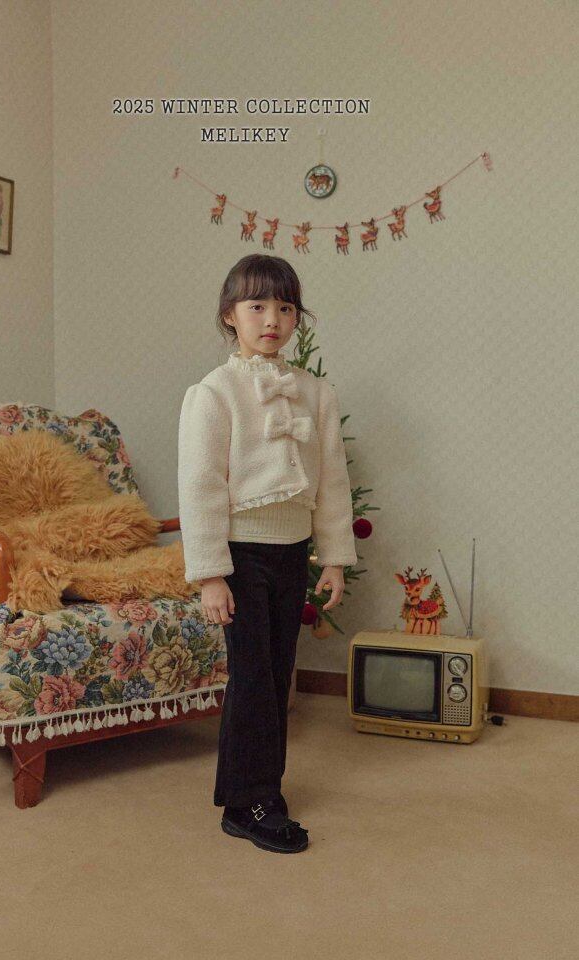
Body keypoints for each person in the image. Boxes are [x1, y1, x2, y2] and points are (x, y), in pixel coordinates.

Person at [177, 254, 358, 854]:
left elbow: (332, 480)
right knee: (252, 676)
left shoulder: (316, 393)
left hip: (292, 552)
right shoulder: (215, 392)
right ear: (230, 315)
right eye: (256, 306)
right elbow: (201, 486)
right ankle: (250, 802)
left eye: (285, 308)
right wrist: (210, 575)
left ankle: (257, 791)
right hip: (240, 555)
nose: (272, 319)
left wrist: (334, 556)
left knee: (276, 674)